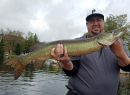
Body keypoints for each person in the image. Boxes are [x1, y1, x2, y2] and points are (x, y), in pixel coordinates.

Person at [51, 9, 130, 95]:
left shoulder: (119, 43)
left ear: (103, 22)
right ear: (87, 24)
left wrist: (120, 54)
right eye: (91, 21)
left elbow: (127, 68)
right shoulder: (78, 43)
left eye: (99, 20)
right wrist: (66, 62)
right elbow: (72, 72)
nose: (95, 23)